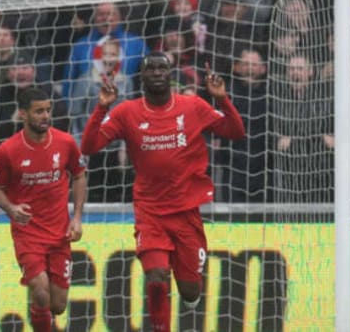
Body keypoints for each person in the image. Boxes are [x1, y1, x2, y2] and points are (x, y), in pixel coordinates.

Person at [80, 52, 245, 331]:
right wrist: (102, 108)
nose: (156, 72)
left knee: (191, 290)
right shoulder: (126, 112)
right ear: (141, 76)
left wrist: (222, 99)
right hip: (150, 211)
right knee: (156, 276)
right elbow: (89, 146)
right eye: (150, 68)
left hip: (186, 212)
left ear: (170, 75)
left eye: (162, 68)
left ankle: (190, 289)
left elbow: (235, 131)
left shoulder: (192, 106)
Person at [0, 87, 87, 332]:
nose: (45, 116)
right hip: (28, 234)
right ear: (23, 114)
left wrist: (76, 217)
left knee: (58, 305)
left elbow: (79, 175)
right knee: (41, 292)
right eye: (39, 111)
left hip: (60, 232)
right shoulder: (8, 150)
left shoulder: (65, 142)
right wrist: (11, 208)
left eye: (48, 110)